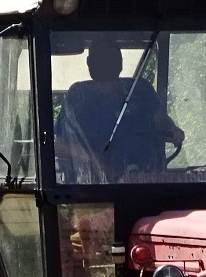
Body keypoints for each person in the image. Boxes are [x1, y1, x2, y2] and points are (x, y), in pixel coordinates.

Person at [57, 36, 184, 183]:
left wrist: (172, 129)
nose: (105, 62)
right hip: (95, 188)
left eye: (110, 57)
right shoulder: (78, 97)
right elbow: (60, 146)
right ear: (89, 63)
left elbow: (161, 120)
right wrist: (92, 158)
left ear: (120, 62)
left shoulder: (140, 90)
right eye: (100, 57)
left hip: (149, 184)